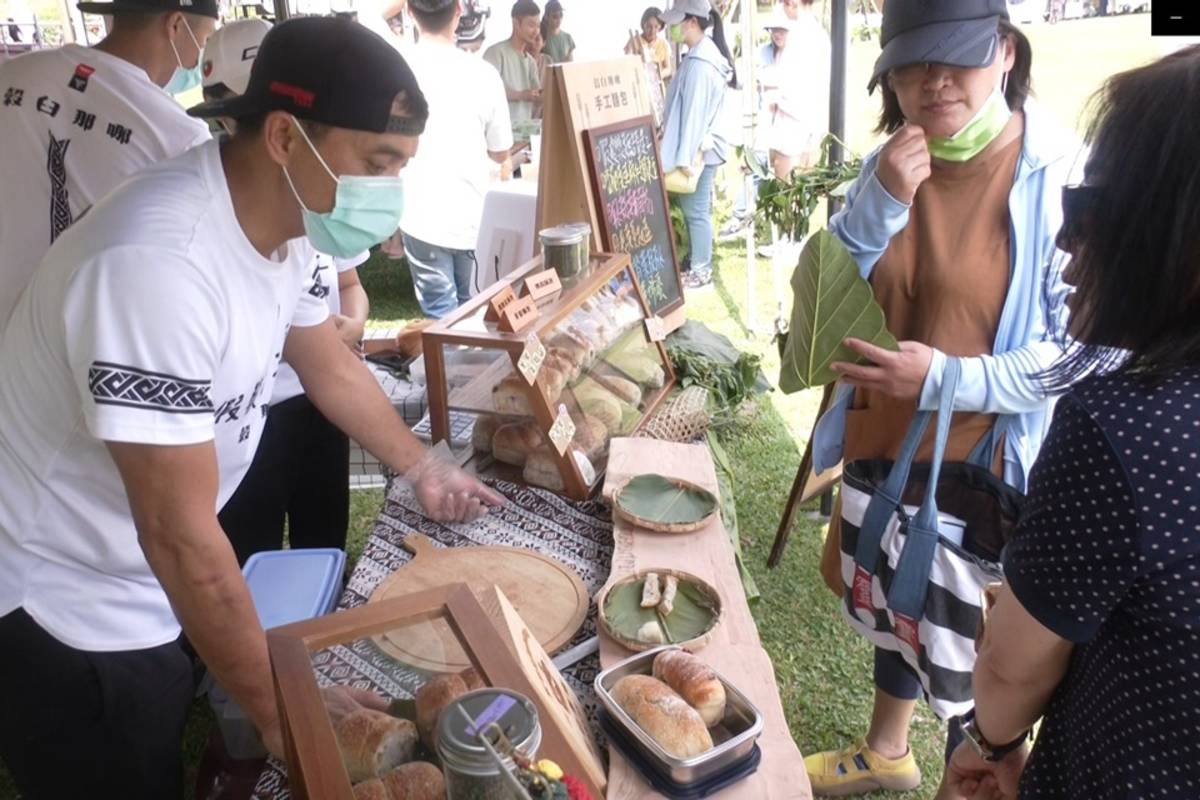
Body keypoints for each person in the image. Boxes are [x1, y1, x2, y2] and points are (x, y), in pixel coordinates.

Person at [0, 17, 503, 798]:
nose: (391, 191)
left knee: (165, 716)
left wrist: (423, 468)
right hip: (64, 599)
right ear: (283, 137)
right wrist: (284, 715)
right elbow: (181, 537)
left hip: (138, 574)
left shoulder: (290, 219)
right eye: (379, 162)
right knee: (120, 763)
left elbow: (325, 358)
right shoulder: (157, 268)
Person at [802, 0, 1076, 795]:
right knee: (897, 597)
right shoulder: (890, 161)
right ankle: (888, 749)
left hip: (980, 458)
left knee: (968, 641)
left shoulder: (1054, 172)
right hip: (885, 433)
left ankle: (974, 774)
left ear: (1007, 51)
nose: (934, 80)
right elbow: (826, 300)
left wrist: (949, 379)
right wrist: (878, 201)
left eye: (956, 56)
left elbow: (1076, 354)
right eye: (914, 61)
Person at [942, 45, 1200, 800]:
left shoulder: (1124, 428)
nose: (1066, 240)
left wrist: (990, 741)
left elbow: (1011, 669)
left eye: (1094, 210)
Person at [194, 17, 376, 565]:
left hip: (318, 399)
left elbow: (347, 289)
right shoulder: (188, 245)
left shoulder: (317, 209)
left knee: (324, 538)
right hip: (251, 413)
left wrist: (354, 322)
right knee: (247, 546)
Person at [0, 0, 216, 329]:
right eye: (205, 39)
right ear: (175, 25)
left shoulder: (12, 75)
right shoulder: (178, 137)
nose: (201, 55)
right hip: (75, 348)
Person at [402, 0, 513, 319]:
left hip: (418, 214)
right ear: (459, 12)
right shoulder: (483, 74)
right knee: (477, 310)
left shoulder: (397, 70)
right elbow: (500, 151)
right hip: (472, 214)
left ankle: (448, 367)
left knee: (441, 317)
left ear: (410, 11)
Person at [659, 0, 738, 290]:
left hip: (699, 152)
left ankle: (702, 270)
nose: (672, 28)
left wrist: (684, 158)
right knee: (697, 209)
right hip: (702, 149)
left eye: (677, 21)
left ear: (692, 22)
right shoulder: (701, 55)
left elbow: (693, 116)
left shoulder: (700, 63)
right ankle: (698, 263)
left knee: (696, 212)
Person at [483, 0, 541, 136]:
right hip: (497, 135)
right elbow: (487, 92)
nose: (536, 31)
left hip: (524, 135)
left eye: (538, 26)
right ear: (516, 24)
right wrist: (521, 95)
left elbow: (538, 96)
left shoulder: (531, 61)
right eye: (531, 25)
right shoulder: (495, 53)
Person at [624, 6, 673, 81]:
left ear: (661, 27)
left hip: (656, 84)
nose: (652, 31)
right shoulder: (634, 41)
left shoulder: (664, 44)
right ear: (643, 25)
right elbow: (626, 64)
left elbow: (668, 68)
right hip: (638, 81)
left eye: (656, 27)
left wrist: (658, 75)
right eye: (649, 26)